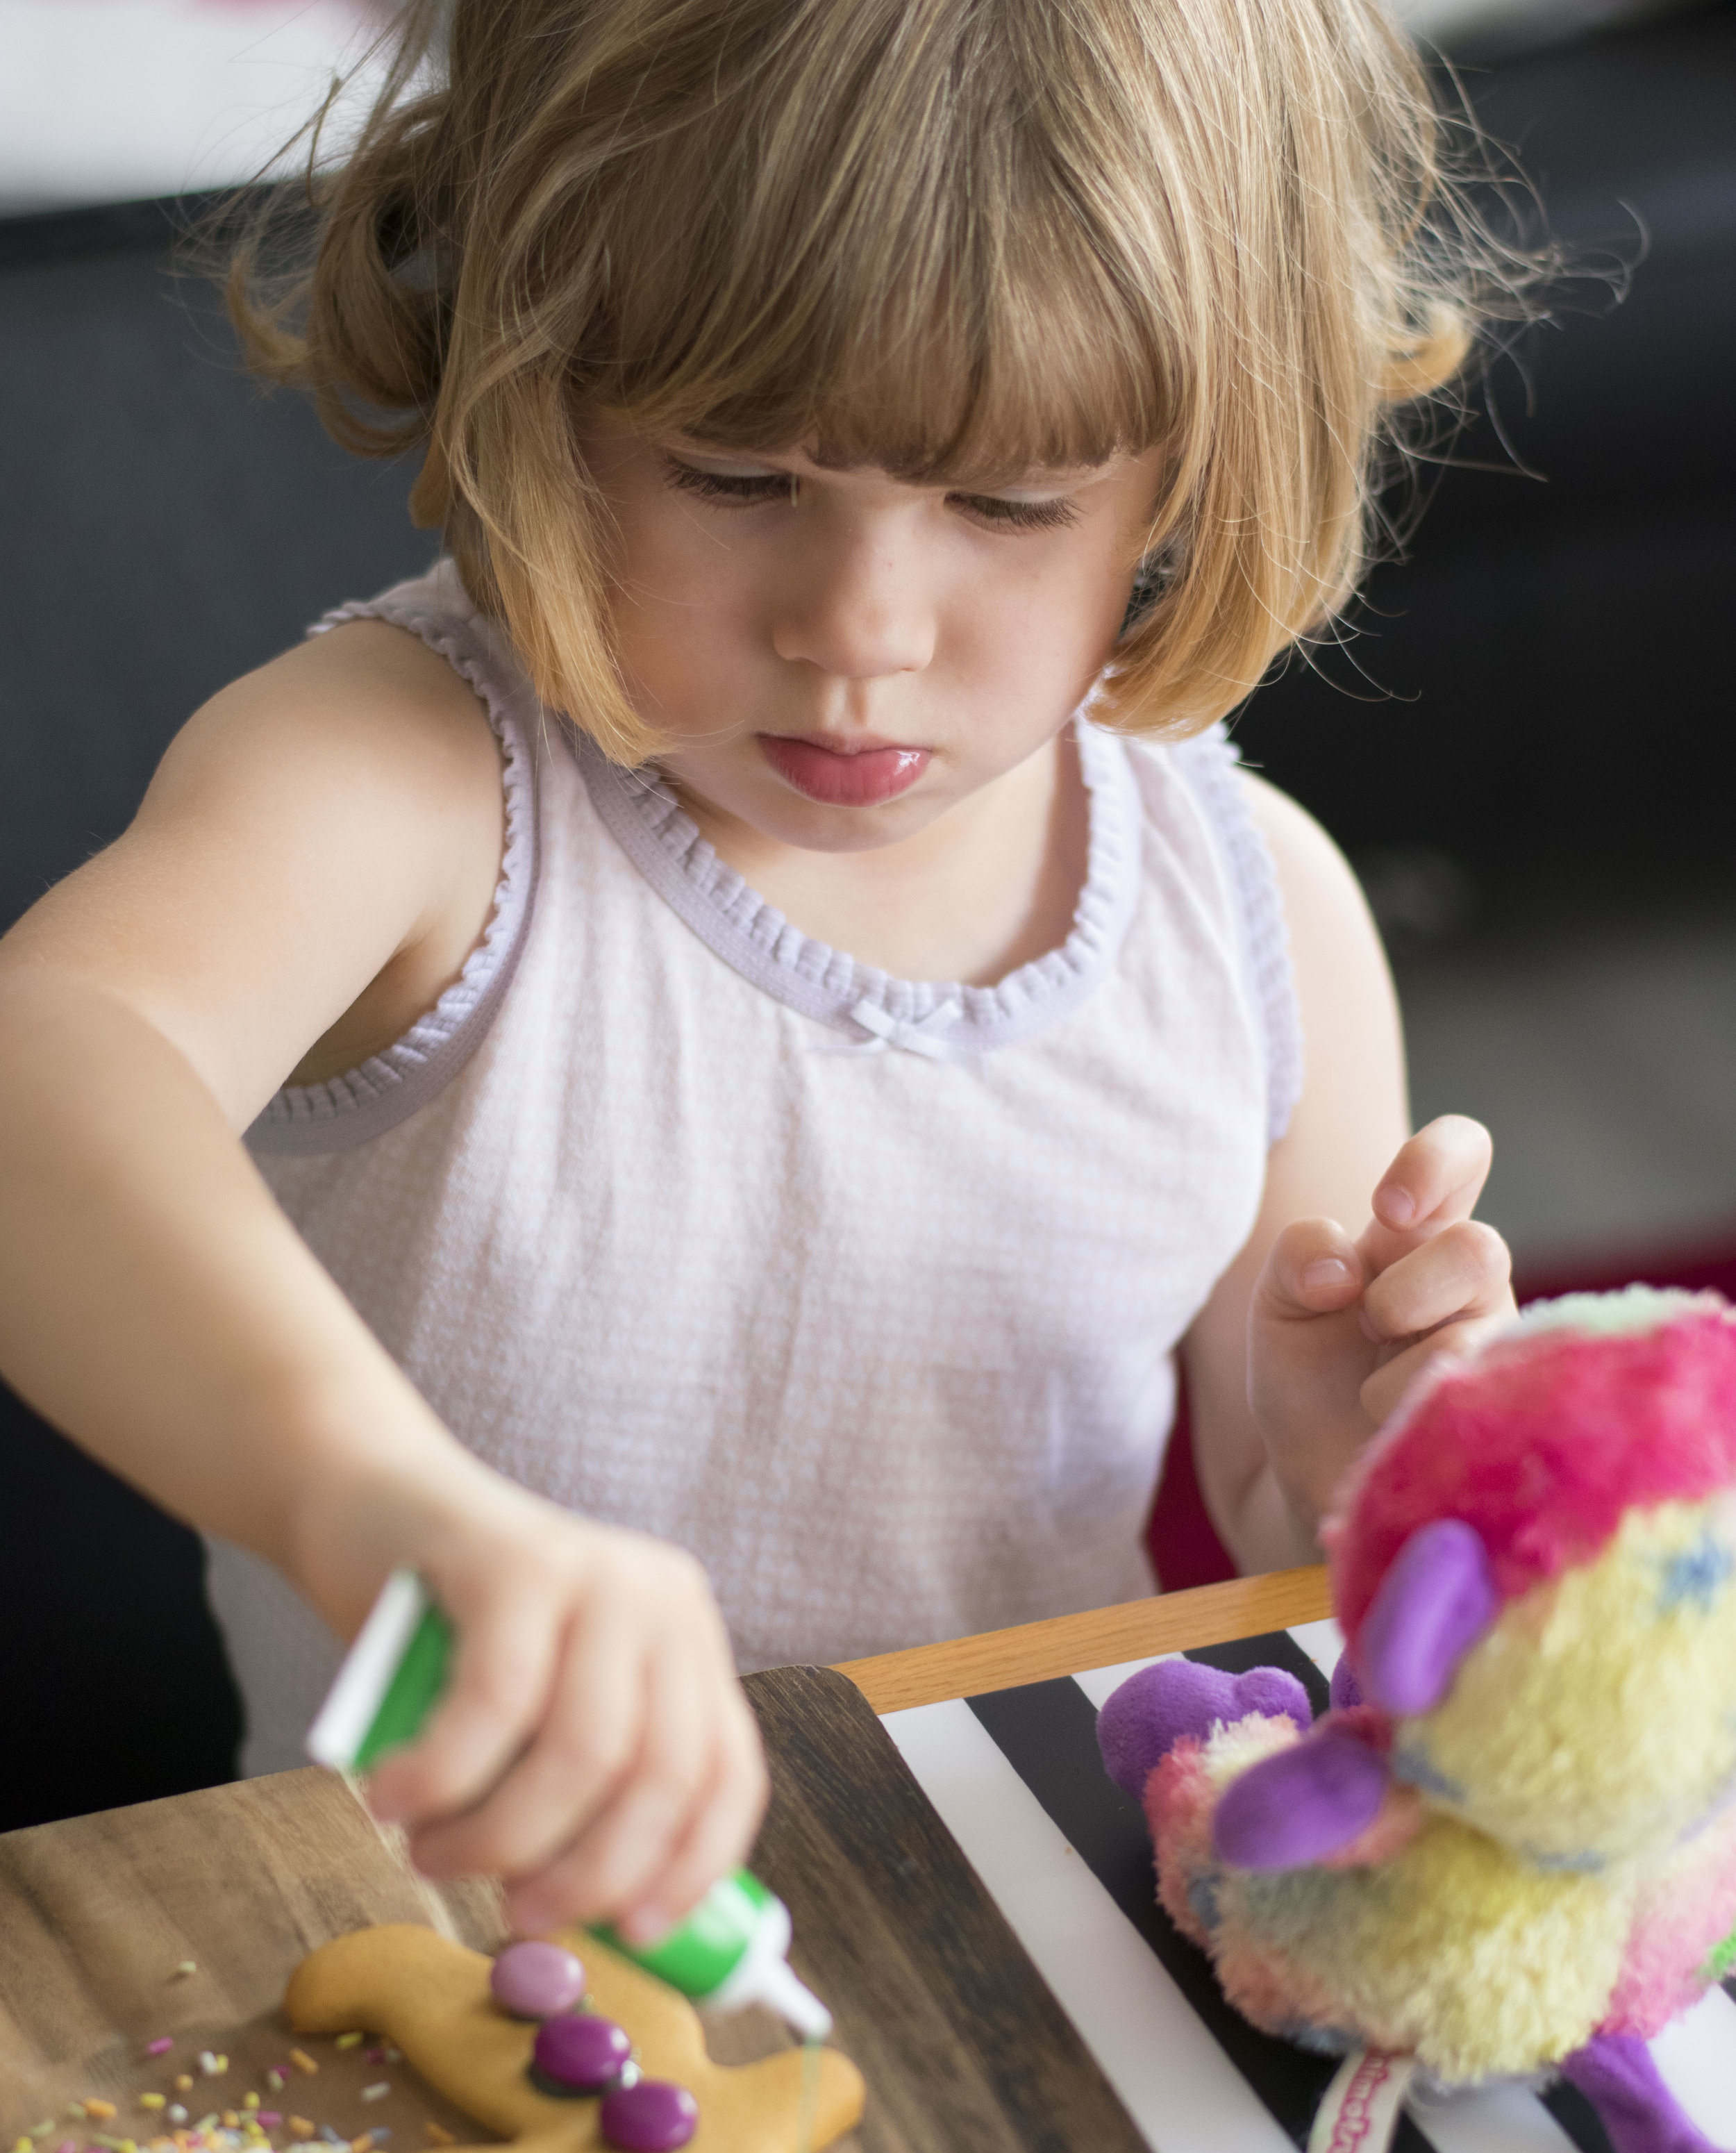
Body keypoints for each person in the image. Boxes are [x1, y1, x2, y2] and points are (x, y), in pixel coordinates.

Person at [0, 0, 1520, 1945]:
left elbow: (1264, 1496)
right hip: (406, 1959)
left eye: (1006, 500)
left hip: (986, 1953)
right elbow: (61, 1059)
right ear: (529, 378)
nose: (856, 630)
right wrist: (370, 1499)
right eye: (734, 474)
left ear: (1192, 468)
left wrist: (1347, 1478)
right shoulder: (410, 782)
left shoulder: (1250, 907)